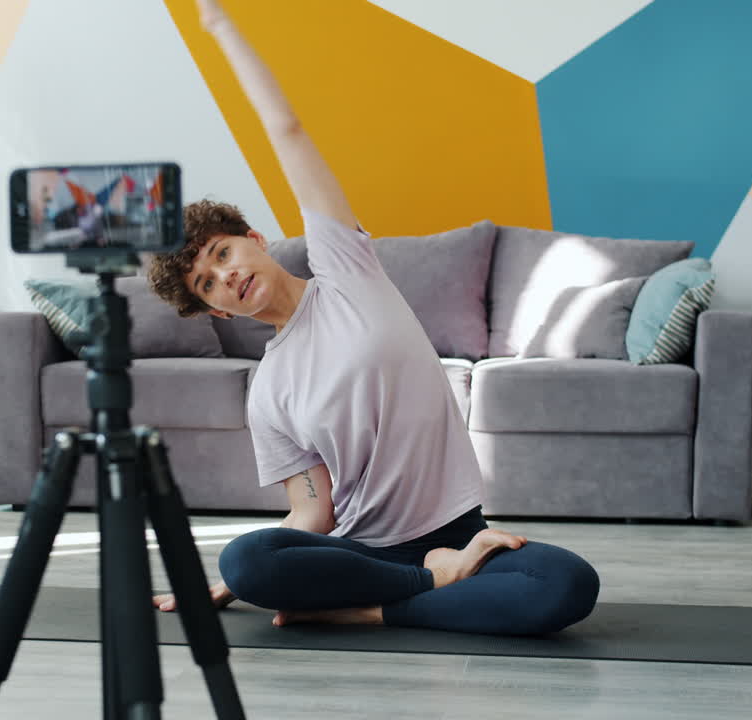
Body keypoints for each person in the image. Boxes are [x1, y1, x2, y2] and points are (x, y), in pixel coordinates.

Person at [146, 0, 599, 635]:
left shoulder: (344, 270)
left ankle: (370, 609)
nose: (226, 275)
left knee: (567, 585)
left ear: (253, 237)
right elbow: (313, 516)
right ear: (209, 307)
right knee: (248, 558)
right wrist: (232, 583)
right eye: (206, 282)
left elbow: (289, 131)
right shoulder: (268, 392)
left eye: (223, 253)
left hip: (456, 531)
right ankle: (426, 583)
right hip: (362, 553)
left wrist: (221, 27)